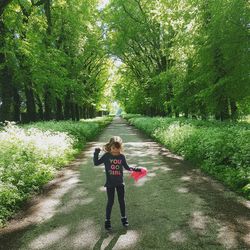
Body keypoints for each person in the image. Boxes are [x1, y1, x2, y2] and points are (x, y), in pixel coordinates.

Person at [93, 136, 141, 231]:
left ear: (121, 147)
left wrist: (135, 169)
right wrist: (96, 153)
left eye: (118, 148)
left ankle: (124, 218)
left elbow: (127, 167)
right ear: (110, 147)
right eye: (114, 148)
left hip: (120, 183)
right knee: (110, 202)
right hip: (110, 184)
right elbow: (96, 163)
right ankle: (107, 221)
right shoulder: (107, 156)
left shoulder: (121, 156)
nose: (115, 150)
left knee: (121, 201)